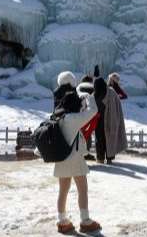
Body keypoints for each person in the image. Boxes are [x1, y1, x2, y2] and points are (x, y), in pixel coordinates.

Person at [52, 90, 102, 234]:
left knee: (63, 191)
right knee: (82, 189)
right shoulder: (73, 118)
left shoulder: (59, 118)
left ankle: (62, 221)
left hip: (61, 159)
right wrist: (89, 97)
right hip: (74, 159)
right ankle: (85, 221)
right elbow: (93, 111)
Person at [94, 71, 127, 164]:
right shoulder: (111, 92)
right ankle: (109, 157)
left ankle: (100, 158)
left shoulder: (95, 94)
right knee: (110, 138)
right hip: (111, 120)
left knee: (99, 139)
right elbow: (118, 107)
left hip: (99, 120)